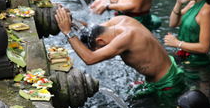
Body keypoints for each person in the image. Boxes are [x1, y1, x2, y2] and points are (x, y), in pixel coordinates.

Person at [54, 6, 185, 98]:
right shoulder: (119, 21)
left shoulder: (126, 37)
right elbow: (89, 30)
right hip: (157, 77)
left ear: (100, 41)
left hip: (167, 84)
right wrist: (71, 21)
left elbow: (90, 59)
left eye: (100, 48)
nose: (103, 52)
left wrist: (67, 32)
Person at [163, 0, 210, 95]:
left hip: (198, 66)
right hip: (184, 58)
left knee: (197, 101)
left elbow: (204, 47)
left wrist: (177, 43)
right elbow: (173, 23)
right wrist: (178, 2)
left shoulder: (206, 11)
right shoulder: (193, 3)